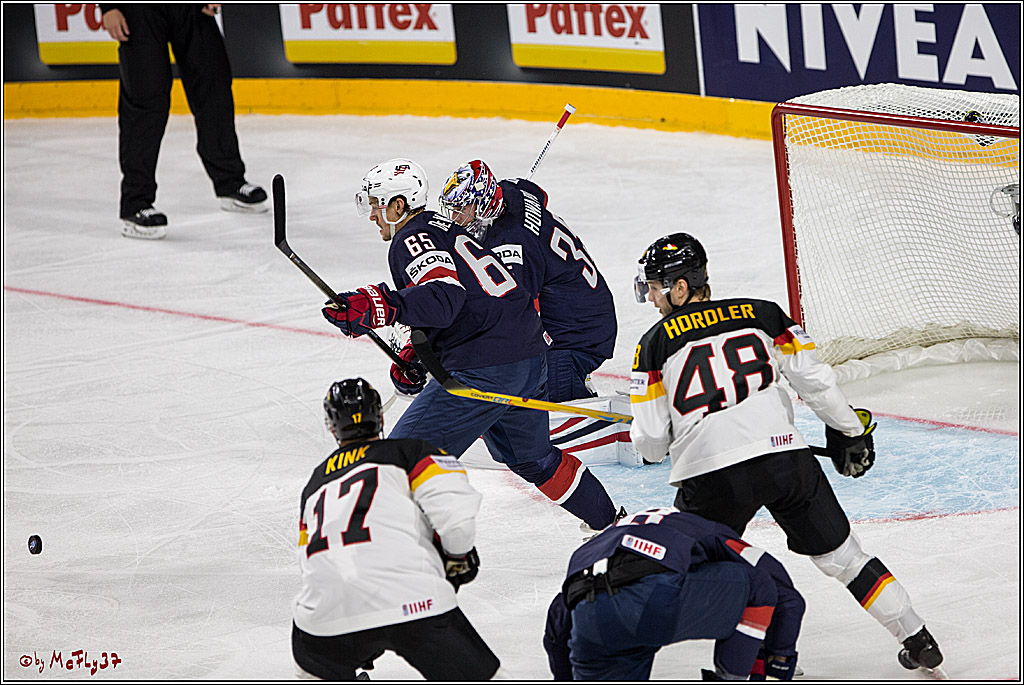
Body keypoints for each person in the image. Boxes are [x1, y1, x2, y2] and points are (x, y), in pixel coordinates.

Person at [628, 233, 943, 673]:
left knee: (708, 573)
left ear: (681, 287)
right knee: (846, 558)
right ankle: (917, 636)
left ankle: (753, 661)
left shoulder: (652, 344)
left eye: (657, 288)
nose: (654, 299)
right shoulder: (763, 313)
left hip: (712, 475)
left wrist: (643, 424)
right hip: (785, 459)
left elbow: (651, 445)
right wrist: (849, 431)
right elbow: (816, 381)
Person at [320, 158, 618, 532]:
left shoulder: (411, 238)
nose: (372, 216)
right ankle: (611, 525)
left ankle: (372, 556)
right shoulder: (451, 229)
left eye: (377, 206)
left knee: (399, 463)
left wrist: (380, 305)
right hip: (528, 360)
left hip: (485, 368)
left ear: (399, 206)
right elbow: (475, 300)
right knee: (535, 459)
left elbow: (444, 297)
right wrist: (421, 349)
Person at [292, 377, 508, 680]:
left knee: (311, 668)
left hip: (323, 616)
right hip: (411, 599)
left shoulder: (315, 484)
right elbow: (456, 519)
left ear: (331, 427)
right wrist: (457, 556)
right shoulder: (409, 452)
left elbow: (308, 559)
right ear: (380, 417)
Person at [543, 507, 805, 680]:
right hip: (652, 600)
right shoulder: (699, 527)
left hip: (592, 623)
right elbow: (782, 592)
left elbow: (556, 628)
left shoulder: (595, 547)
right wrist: (779, 659)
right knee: (756, 584)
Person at [437, 160, 616, 402]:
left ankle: (575, 386)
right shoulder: (513, 192)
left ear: (483, 204)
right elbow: (538, 193)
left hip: (576, 333)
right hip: (585, 303)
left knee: (554, 416)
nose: (456, 218)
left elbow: (516, 315)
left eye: (462, 208)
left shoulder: (512, 247)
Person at [100, 4, 267, 240]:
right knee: (146, 101)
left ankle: (229, 183)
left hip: (190, 8)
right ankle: (135, 203)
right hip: (138, 10)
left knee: (214, 85)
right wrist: (109, 7)